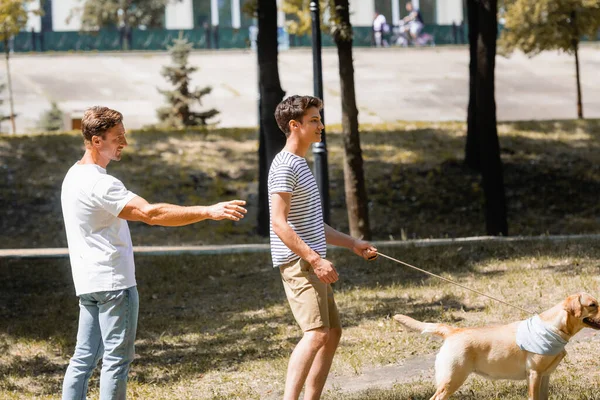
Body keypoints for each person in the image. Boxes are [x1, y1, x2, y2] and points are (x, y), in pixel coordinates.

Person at [60, 106, 247, 400]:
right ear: (97, 141)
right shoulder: (100, 183)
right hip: (114, 284)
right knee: (116, 362)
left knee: (83, 359)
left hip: (88, 284)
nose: (124, 142)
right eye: (117, 137)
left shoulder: (73, 175)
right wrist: (208, 211)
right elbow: (150, 213)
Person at [269, 95, 378, 400]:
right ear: (295, 125)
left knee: (331, 334)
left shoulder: (299, 165)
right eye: (314, 120)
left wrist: (353, 243)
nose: (321, 126)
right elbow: (279, 223)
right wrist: (315, 259)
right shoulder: (284, 167)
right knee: (316, 333)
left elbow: (315, 225)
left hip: (309, 259)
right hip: (299, 263)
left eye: (319, 119)